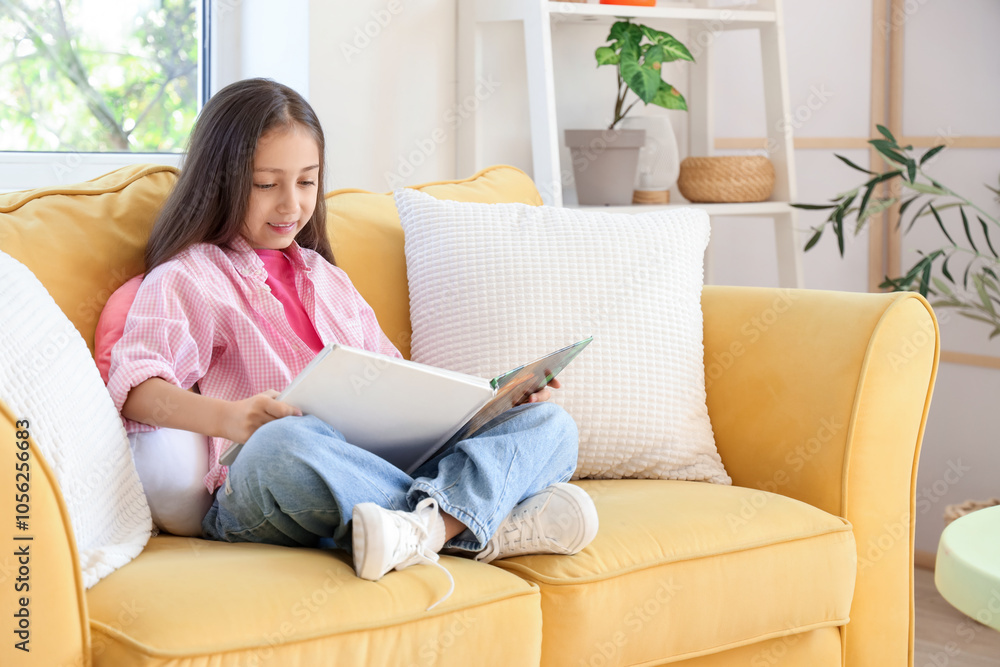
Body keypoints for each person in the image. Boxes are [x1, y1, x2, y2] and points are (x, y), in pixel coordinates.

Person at [106, 78, 598, 610]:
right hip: (269, 488)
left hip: (380, 469)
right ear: (220, 180)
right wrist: (230, 419)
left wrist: (491, 405)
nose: (290, 204)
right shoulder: (190, 277)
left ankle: (423, 532)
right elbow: (135, 387)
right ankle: (473, 525)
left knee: (551, 425)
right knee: (283, 444)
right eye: (266, 184)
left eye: (306, 182)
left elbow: (396, 381)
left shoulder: (327, 278)